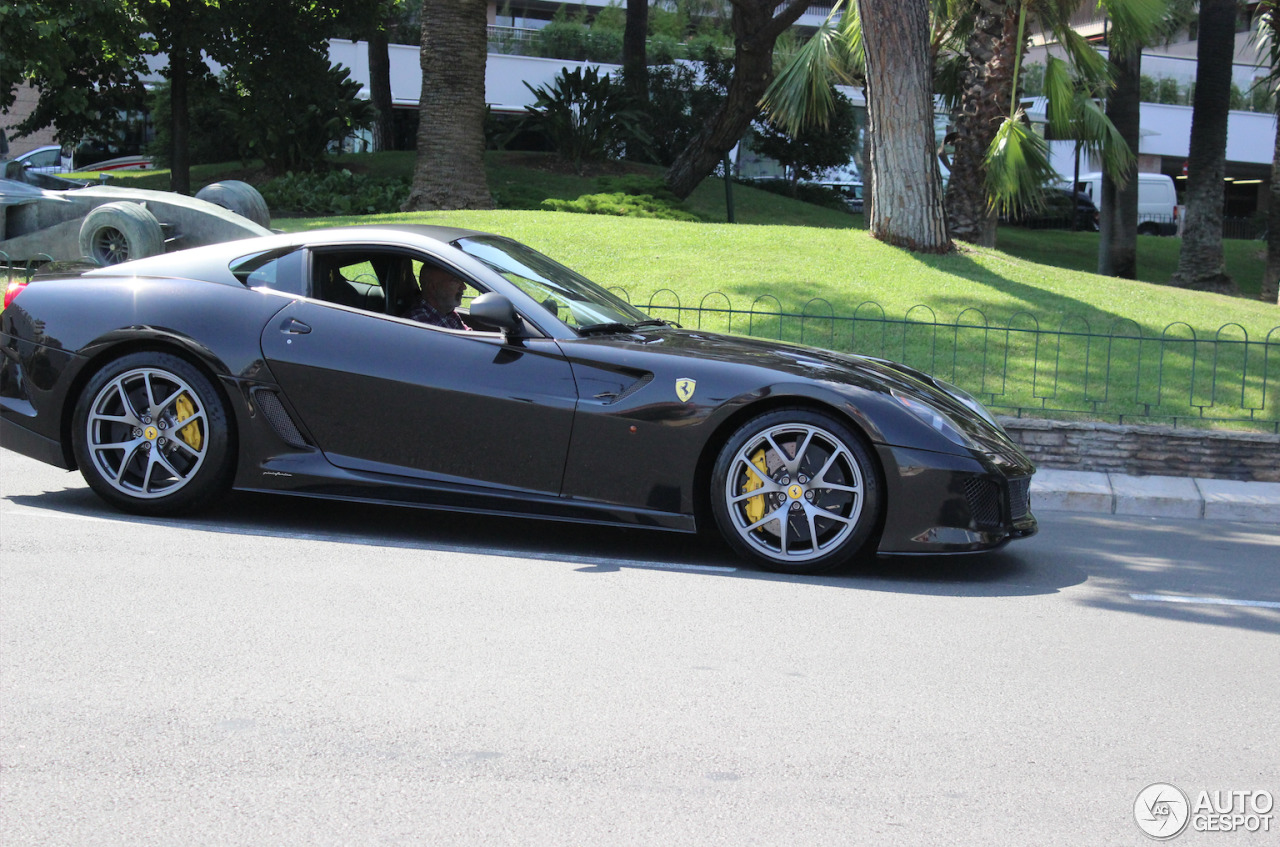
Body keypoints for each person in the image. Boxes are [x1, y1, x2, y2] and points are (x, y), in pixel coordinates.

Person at [405, 264, 470, 330]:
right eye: (456, 281)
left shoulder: (447, 313)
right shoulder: (421, 324)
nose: (464, 287)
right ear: (433, 287)